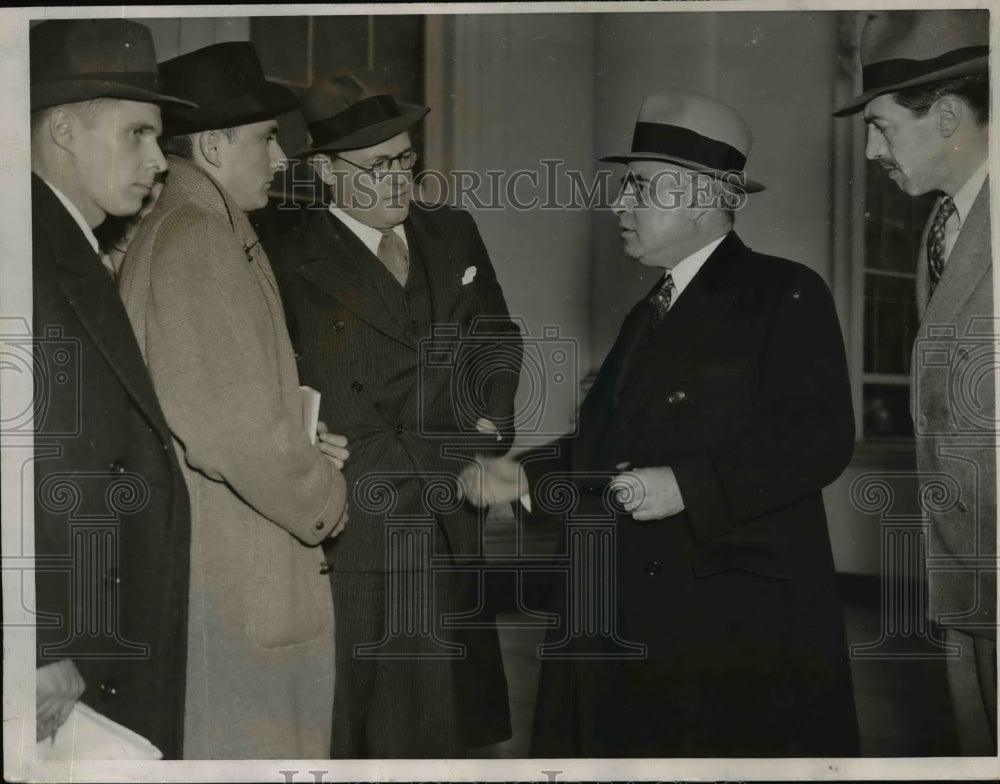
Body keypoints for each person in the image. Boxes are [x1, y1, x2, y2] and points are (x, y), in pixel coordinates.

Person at [462, 91, 860, 757]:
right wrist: (523, 476)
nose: (619, 204)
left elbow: (818, 437)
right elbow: (610, 448)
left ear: (703, 198)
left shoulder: (782, 292)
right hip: (628, 614)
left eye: (640, 188)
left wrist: (687, 485)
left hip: (725, 626)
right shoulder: (649, 312)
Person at [270, 74, 521, 758]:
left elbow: (496, 341)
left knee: (454, 725)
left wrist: (483, 439)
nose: (400, 180)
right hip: (359, 517)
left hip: (451, 500)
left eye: (407, 159)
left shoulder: (452, 231)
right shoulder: (281, 250)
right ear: (323, 170)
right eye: (378, 166)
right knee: (366, 720)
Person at [117, 43, 349, 759]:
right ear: (214, 145)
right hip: (238, 576)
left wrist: (298, 437)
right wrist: (324, 496)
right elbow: (232, 432)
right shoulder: (197, 240)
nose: (281, 158)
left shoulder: (201, 226)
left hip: (232, 566)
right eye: (266, 139)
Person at [28, 19, 193, 757]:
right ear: (63, 128)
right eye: (138, 134)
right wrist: (38, 639)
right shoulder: (27, 250)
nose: (159, 161)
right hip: (69, 646)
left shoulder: (67, 240)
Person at [835, 8, 994, 756]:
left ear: (949, 116)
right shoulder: (945, 225)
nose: (870, 152)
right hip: (963, 569)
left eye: (882, 126)